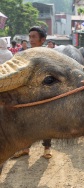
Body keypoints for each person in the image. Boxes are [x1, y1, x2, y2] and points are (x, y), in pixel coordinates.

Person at [13, 26, 52, 159]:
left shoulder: (50, 55)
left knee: (46, 120)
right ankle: (25, 148)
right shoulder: (26, 53)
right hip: (29, 92)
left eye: (34, 37)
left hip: (46, 91)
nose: (31, 40)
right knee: (27, 121)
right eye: (30, 37)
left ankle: (47, 149)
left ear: (42, 39)